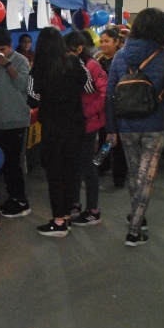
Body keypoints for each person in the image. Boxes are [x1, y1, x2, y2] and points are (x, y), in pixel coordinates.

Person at [105, 8, 164, 246]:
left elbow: (109, 96)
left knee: (134, 173)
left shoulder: (120, 56)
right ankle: (134, 230)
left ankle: (137, 215)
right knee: (147, 176)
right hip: (156, 123)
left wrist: (111, 128)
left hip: (126, 123)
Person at [29, 26, 93, 237]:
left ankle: (59, 222)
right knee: (71, 172)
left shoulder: (37, 69)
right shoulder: (75, 62)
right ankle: (66, 217)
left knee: (55, 174)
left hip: (52, 128)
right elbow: (89, 87)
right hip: (75, 126)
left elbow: (32, 99)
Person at [0, 28, 32, 217]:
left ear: (11, 47)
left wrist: (7, 65)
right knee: (5, 163)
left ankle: (22, 201)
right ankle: (12, 198)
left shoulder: (20, 60)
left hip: (17, 120)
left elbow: (24, 86)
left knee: (15, 163)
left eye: (3, 49)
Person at [64, 31, 107, 227]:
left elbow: (105, 93)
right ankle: (74, 204)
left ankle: (93, 210)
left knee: (88, 167)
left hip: (89, 124)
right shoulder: (76, 65)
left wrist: (86, 112)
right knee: (74, 164)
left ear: (79, 49)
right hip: (76, 123)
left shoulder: (91, 66)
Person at [95, 27, 127, 188]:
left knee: (119, 142)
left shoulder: (123, 60)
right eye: (101, 41)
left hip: (121, 107)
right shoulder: (98, 60)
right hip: (102, 108)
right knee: (103, 138)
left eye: (107, 41)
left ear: (117, 42)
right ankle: (102, 166)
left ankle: (119, 176)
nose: (103, 45)